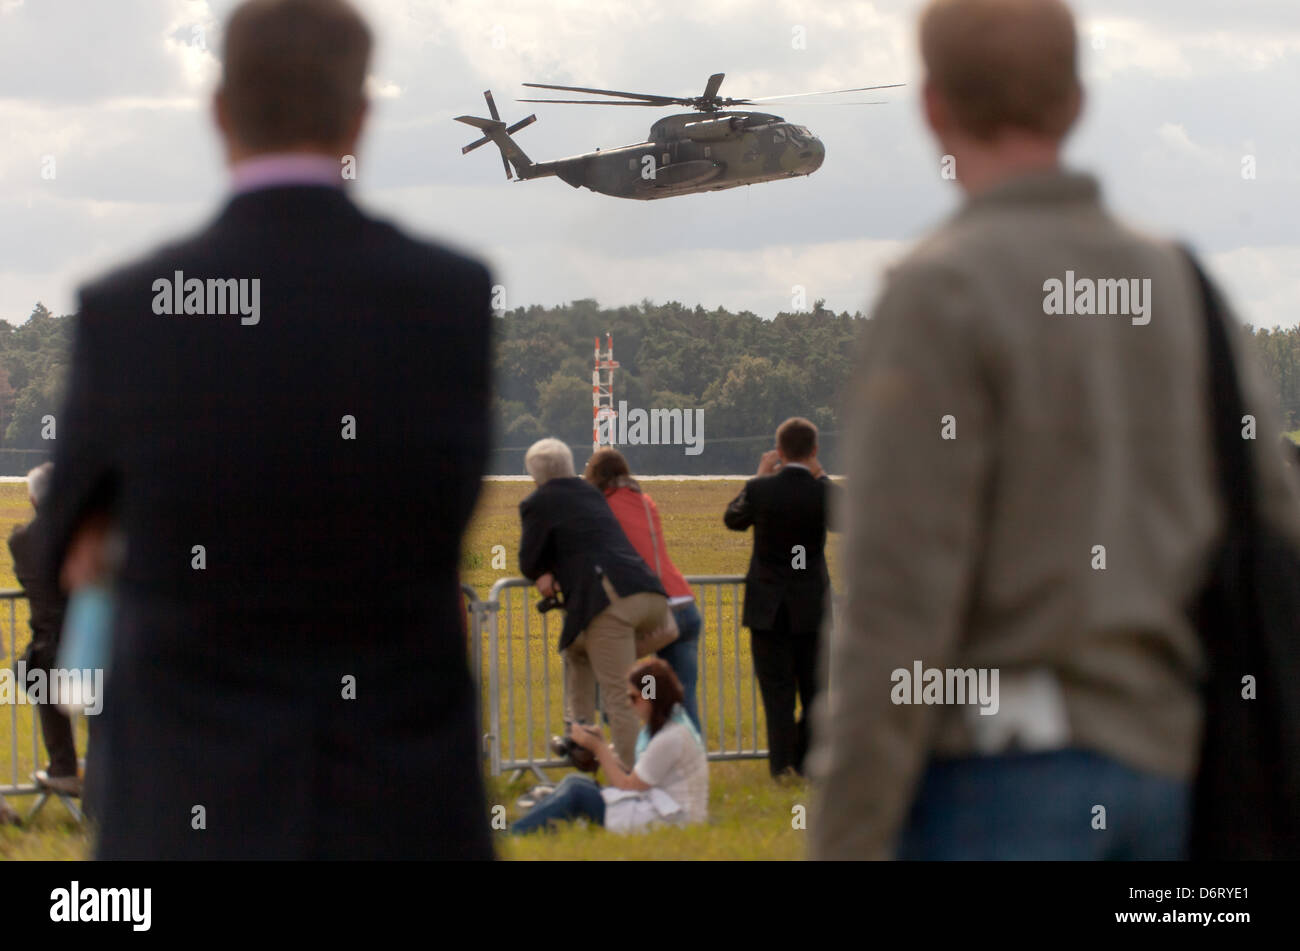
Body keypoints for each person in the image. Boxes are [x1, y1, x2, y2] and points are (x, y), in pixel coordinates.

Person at [810, 0, 1300, 860]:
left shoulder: (940, 291)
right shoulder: (1182, 282)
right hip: (1171, 774)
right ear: (1077, 101)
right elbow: (1274, 522)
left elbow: (897, 606)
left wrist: (847, 833)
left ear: (932, 108)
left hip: (996, 781)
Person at [41, 0, 494, 859]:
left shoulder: (129, 308)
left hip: (190, 803)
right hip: (401, 802)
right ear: (361, 113)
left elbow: (70, 542)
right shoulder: (449, 295)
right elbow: (439, 508)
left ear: (218, 111)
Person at [518, 438, 670, 766]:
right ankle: (582, 740)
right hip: (650, 597)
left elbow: (528, 559)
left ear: (534, 475)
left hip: (611, 602)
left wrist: (544, 571)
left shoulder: (539, 501)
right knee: (576, 649)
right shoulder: (590, 492)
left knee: (620, 698)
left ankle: (630, 786)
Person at [724, 417, 836, 779]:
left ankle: (781, 766)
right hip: (811, 608)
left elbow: (733, 518)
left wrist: (757, 477)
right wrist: (821, 476)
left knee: (777, 692)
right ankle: (808, 762)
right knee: (815, 690)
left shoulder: (762, 491)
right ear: (814, 451)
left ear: (779, 451)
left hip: (768, 608)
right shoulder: (820, 492)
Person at [510, 658, 708, 834]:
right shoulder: (670, 727)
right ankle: (522, 826)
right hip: (664, 808)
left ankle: (510, 833)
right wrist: (603, 745)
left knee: (576, 789)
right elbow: (639, 777)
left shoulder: (669, 738)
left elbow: (629, 786)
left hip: (670, 819)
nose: (630, 704)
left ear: (649, 697)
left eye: (633, 697)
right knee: (574, 784)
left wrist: (598, 748)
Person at [584, 448, 702, 730]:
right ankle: (692, 765)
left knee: (612, 679)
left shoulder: (602, 507)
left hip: (653, 611)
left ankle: (624, 747)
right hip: (684, 603)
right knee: (682, 701)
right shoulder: (645, 501)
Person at [9, 463, 81, 800]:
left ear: (34, 500)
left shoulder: (21, 542)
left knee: (31, 672)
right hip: (95, 650)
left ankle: (64, 766)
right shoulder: (82, 537)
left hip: (48, 654)